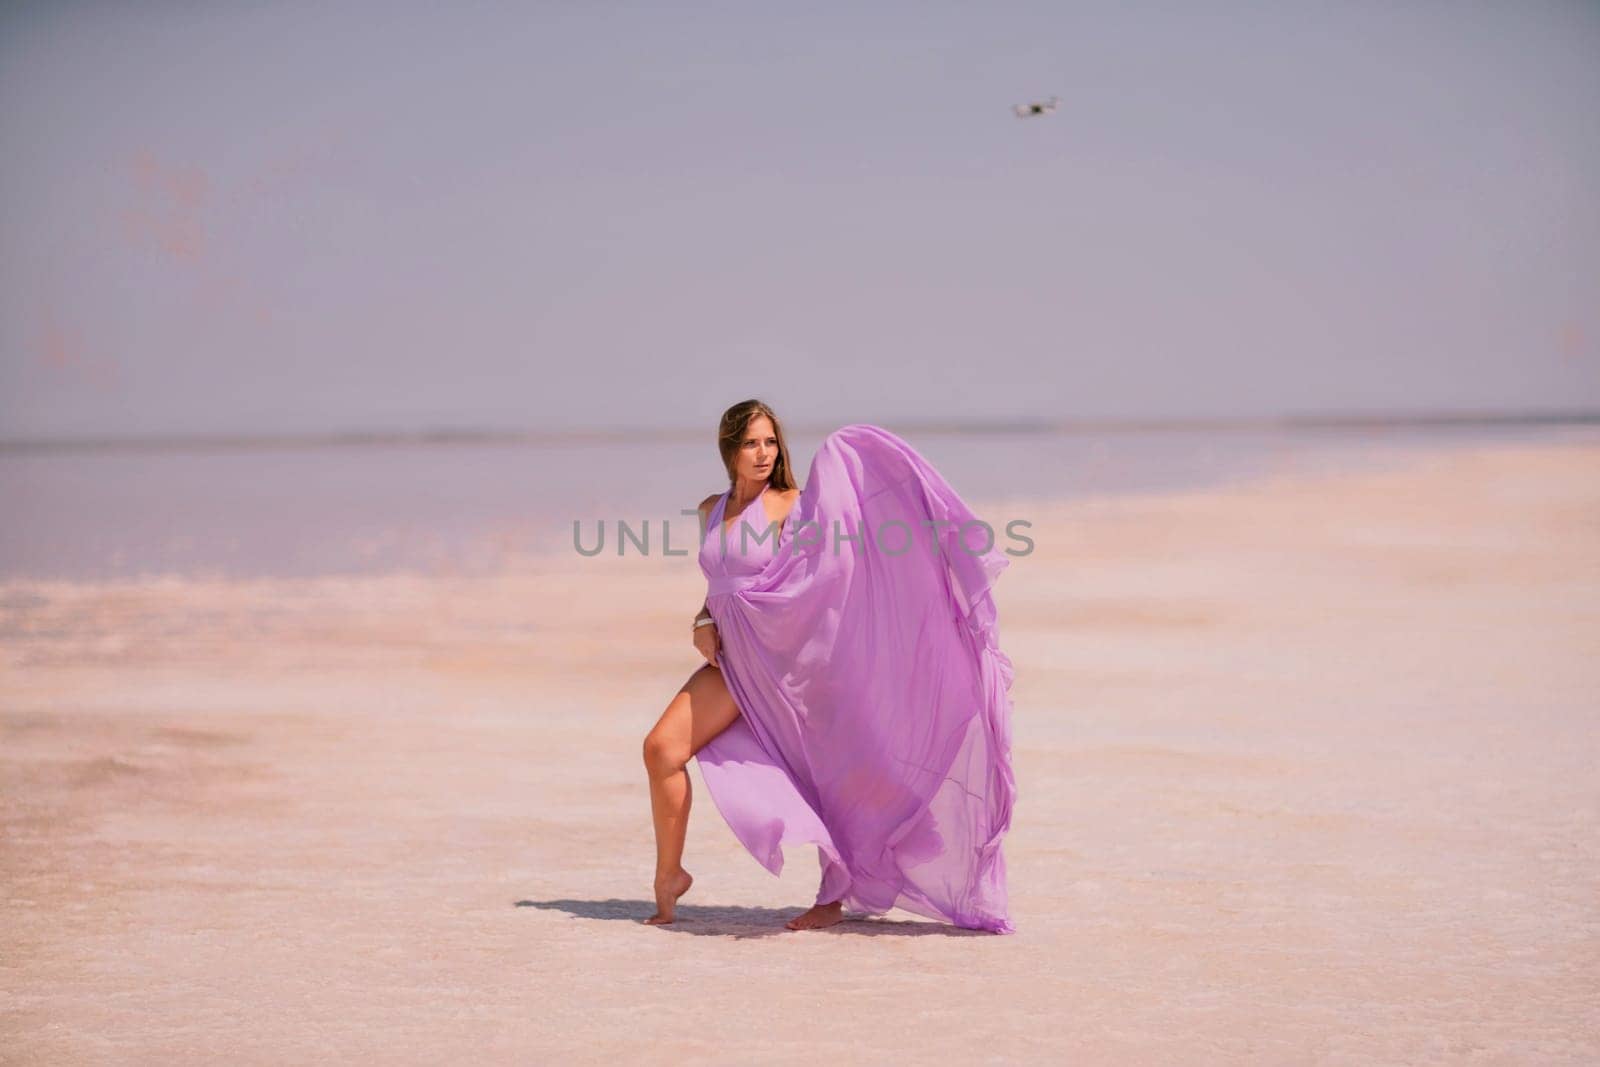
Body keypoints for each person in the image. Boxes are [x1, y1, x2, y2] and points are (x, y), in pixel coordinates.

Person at [642, 399, 1017, 933]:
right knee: (661, 750)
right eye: (751, 443)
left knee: (833, 777)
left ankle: (837, 893)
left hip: (783, 665)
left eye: (770, 442)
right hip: (733, 667)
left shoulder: (790, 507)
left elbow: (828, 576)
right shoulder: (710, 508)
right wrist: (702, 620)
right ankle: (669, 876)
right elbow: (720, 586)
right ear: (729, 449)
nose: (763, 453)